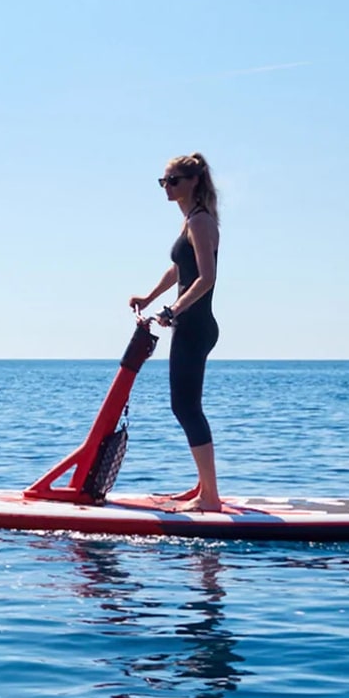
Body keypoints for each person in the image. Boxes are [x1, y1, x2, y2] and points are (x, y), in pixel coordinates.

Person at [129, 152, 221, 512]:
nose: (166, 187)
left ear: (193, 181)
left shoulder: (200, 222)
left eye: (173, 181)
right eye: (163, 181)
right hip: (190, 324)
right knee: (186, 406)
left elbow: (206, 278)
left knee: (185, 407)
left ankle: (209, 498)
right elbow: (179, 269)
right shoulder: (190, 222)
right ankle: (203, 488)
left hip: (195, 326)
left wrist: (174, 309)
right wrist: (150, 297)